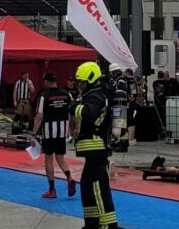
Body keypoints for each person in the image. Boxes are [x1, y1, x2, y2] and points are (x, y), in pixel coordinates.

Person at [73, 61, 119, 229]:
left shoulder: (96, 96)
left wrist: (72, 107)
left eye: (83, 82)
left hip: (96, 146)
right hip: (93, 148)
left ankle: (108, 224)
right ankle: (91, 222)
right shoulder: (97, 93)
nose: (80, 85)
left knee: (98, 187)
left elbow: (88, 113)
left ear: (91, 80)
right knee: (86, 185)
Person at [32, 72, 76, 199]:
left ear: (46, 81)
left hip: (49, 132)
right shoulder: (66, 94)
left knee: (48, 159)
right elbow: (73, 113)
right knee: (61, 158)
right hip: (62, 131)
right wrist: (74, 128)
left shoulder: (44, 96)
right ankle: (69, 177)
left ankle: (52, 189)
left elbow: (39, 116)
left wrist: (34, 133)